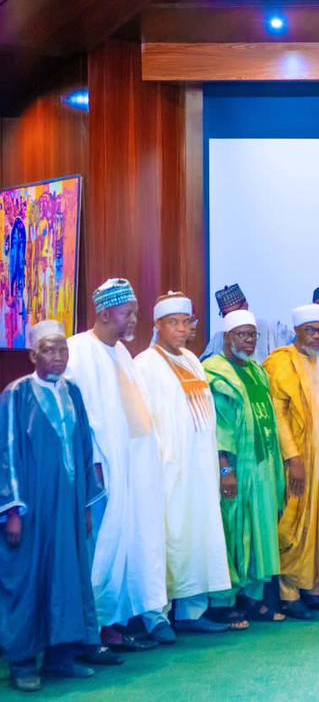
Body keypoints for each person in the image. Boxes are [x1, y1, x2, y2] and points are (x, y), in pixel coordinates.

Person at [1, 321, 104, 692]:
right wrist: (12, 509)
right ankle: (23, 662)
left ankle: (62, 657)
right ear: (33, 355)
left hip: (69, 507)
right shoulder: (16, 395)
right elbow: (6, 452)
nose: (58, 356)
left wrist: (86, 506)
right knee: (28, 579)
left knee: (68, 576)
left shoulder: (73, 392)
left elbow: (84, 449)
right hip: (31, 508)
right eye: (49, 349)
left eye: (63, 349)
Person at [65, 278, 165, 654]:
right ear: (106, 313)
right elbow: (79, 418)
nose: (134, 320)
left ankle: (115, 625)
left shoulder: (122, 353)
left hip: (133, 471)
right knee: (101, 551)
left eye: (135, 312)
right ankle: (91, 631)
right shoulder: (78, 351)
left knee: (127, 547)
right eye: (128, 313)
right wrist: (93, 468)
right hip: (101, 475)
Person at [135, 292, 232, 638]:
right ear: (157, 325)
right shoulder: (145, 364)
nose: (180, 329)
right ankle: (156, 615)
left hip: (199, 469)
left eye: (185, 322)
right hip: (167, 469)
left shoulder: (193, 360)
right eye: (172, 323)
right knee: (164, 538)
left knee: (198, 535)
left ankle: (193, 611)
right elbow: (143, 420)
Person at [264, 304, 319, 619]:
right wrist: (293, 458)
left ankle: (314, 590)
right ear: (297, 332)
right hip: (300, 458)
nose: (317, 336)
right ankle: (289, 594)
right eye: (310, 331)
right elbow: (278, 417)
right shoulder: (281, 363)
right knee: (297, 523)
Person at [204, 309, 287, 624]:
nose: (249, 340)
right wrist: (225, 468)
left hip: (262, 470)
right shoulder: (216, 372)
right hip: (236, 470)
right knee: (234, 531)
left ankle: (253, 599)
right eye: (242, 335)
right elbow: (220, 426)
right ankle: (224, 602)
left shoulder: (257, 371)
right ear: (227, 338)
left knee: (260, 530)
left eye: (253, 335)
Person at [201, 284, 291, 363]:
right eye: (226, 314)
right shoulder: (219, 339)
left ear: (246, 306)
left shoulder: (272, 329)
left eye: (234, 313)